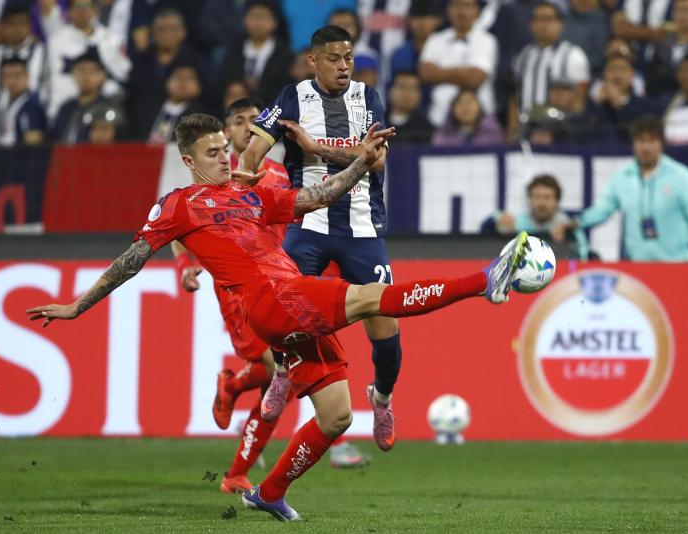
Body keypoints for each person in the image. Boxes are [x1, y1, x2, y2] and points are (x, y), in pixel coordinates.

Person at [26, 113, 529, 521]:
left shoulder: (253, 192)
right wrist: (78, 306)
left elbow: (316, 197)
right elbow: (131, 259)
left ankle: (267, 491)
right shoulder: (178, 205)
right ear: (188, 160)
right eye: (212, 152)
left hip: (287, 299)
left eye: (227, 147)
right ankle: (485, 282)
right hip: (272, 300)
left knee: (336, 416)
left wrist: (361, 164)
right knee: (375, 298)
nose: (226, 156)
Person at [172, 100, 370, 492]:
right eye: (239, 121)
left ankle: (236, 465)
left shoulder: (277, 175)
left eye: (255, 120)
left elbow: (303, 209)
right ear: (226, 133)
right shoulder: (214, 182)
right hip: (241, 294)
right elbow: (178, 228)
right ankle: (323, 438)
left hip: (284, 284)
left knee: (276, 375)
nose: (249, 127)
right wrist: (186, 267)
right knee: (280, 367)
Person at [237, 25, 404, 454]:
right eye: (334, 58)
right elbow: (252, 153)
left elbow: (376, 160)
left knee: (386, 330)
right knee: (283, 309)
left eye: (348, 57)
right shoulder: (292, 97)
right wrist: (246, 177)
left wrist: (315, 147)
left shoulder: (369, 98)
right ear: (313, 61)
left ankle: (381, 398)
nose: (344, 65)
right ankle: (280, 374)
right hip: (308, 226)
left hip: (363, 229)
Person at [553, 115, 688, 261]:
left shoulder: (680, 176)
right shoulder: (622, 177)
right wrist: (577, 223)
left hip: (675, 265)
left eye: (652, 141)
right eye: (641, 141)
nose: (646, 147)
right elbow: (602, 210)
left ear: (662, 143)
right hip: (637, 266)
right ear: (633, 144)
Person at [509, 1, 590, 139]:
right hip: (526, 133)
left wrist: (560, 132)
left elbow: (579, 102)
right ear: (531, 24)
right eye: (538, 19)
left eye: (548, 19)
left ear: (560, 24)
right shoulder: (523, 56)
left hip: (561, 133)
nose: (543, 25)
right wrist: (512, 132)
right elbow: (515, 98)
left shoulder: (573, 55)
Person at [127, 7, 208, 140]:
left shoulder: (196, 60)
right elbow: (133, 97)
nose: (167, 33)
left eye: (172, 28)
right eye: (161, 29)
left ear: (183, 32)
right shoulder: (141, 60)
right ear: (152, 33)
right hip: (144, 125)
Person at [419, 0, 498, 127]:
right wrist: (464, 73)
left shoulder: (487, 40)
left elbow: (475, 79)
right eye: (456, 5)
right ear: (448, 10)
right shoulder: (435, 39)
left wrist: (439, 73)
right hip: (439, 119)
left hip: (480, 124)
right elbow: (426, 74)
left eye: (467, 6)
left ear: (477, 11)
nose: (461, 11)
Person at [212, 0, 293, 108]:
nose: (257, 22)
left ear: (274, 22)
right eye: (253, 16)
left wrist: (256, 90)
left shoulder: (285, 54)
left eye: (262, 17)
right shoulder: (233, 49)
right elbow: (222, 83)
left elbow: (285, 91)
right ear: (244, 20)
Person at [51, 47, 113, 143]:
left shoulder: (108, 108)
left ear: (102, 77)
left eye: (92, 71)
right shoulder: (66, 108)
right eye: (81, 70)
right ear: (73, 74)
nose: (86, 76)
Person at [481, 174, 570, 239]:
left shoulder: (564, 223)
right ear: (530, 199)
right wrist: (497, 222)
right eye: (537, 197)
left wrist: (570, 230)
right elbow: (484, 229)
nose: (542, 203)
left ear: (557, 201)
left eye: (547, 197)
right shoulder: (516, 222)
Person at [146, 62, 205, 144]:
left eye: (189, 78)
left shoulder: (201, 117)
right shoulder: (147, 109)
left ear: (199, 88)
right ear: (167, 83)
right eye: (179, 77)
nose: (183, 82)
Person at [0, 57, 47, 146]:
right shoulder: (3, 104)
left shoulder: (31, 106)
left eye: (17, 75)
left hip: (20, 158)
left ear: (27, 77)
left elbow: (33, 144)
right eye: (6, 76)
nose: (12, 81)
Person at [431, 89, 503, 146]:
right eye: (460, 102)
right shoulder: (442, 138)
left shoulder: (493, 135)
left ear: (480, 107)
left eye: (470, 102)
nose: (465, 107)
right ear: (452, 109)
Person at [386, 71, 433, 145]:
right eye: (402, 86)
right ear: (390, 91)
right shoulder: (376, 124)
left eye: (412, 88)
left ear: (420, 95)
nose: (407, 93)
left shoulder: (426, 129)